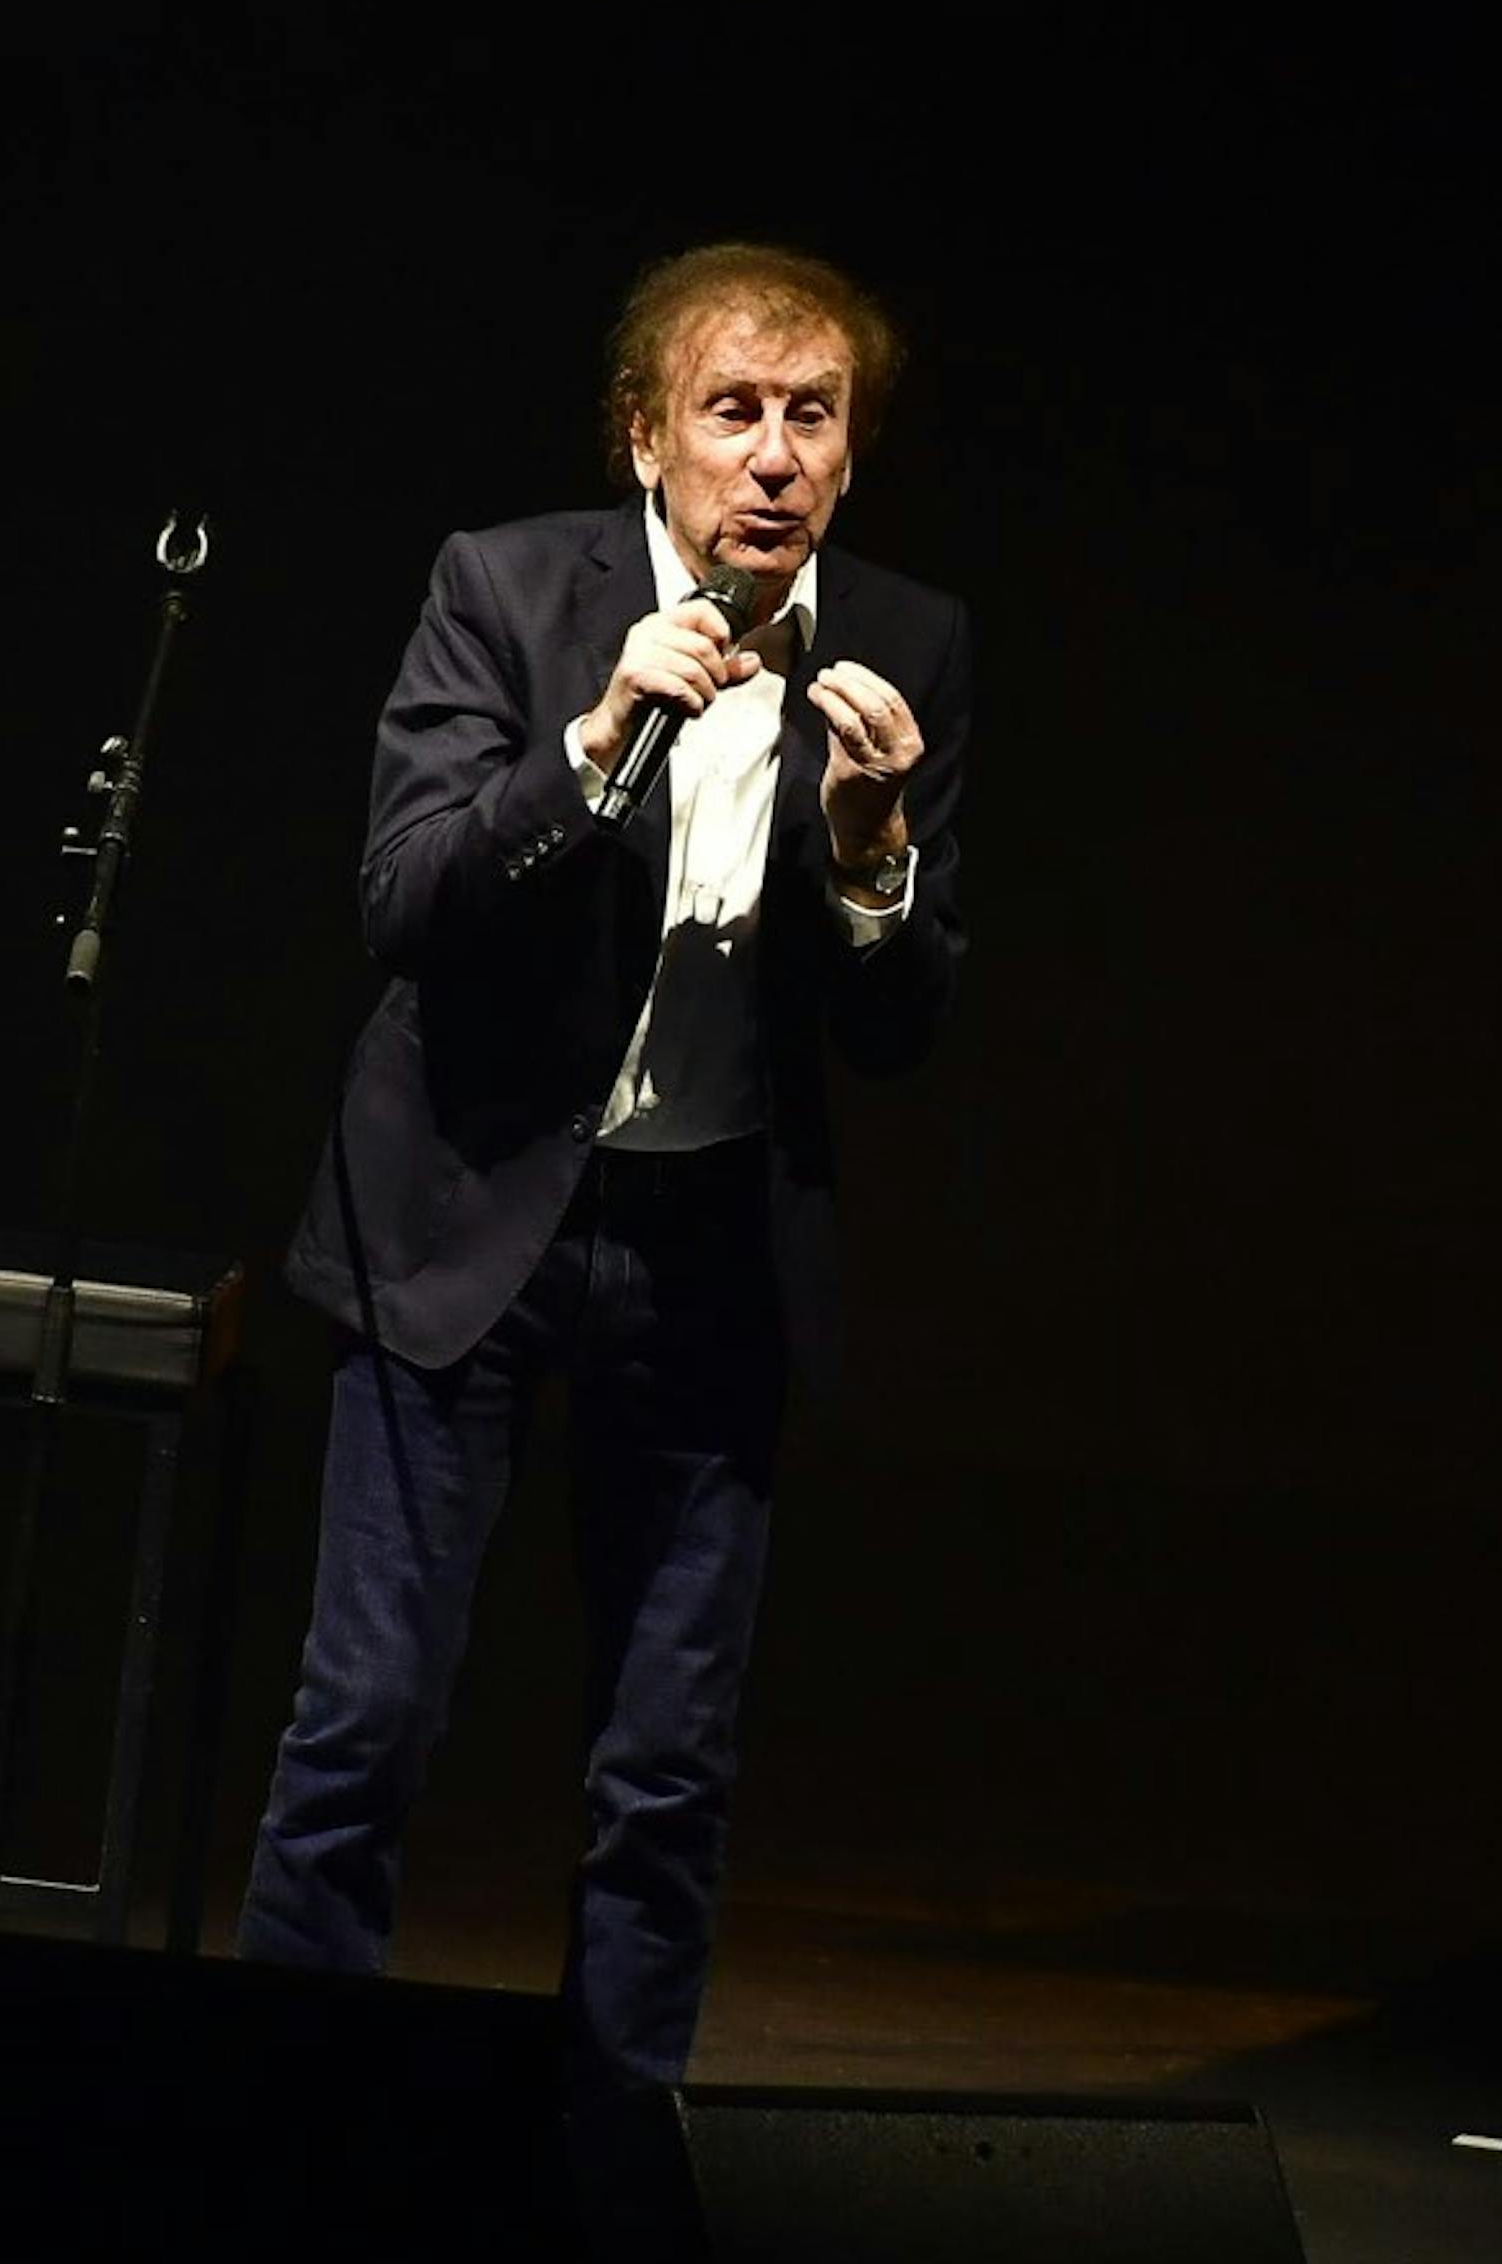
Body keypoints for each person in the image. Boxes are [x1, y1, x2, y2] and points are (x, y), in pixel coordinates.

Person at [233, 242, 970, 2100]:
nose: (776, 457)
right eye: (735, 412)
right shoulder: (503, 590)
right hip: (465, 1217)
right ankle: (272, 2125)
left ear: (854, 452)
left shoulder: (908, 645)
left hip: (710, 1244)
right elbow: (406, 904)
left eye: (815, 418)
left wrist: (870, 859)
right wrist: (593, 741)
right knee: (368, 1721)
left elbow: (898, 1034)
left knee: (666, 1768)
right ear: (647, 437)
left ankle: (610, 2154)